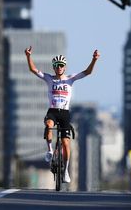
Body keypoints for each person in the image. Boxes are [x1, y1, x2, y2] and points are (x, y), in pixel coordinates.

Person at [24, 46, 100, 183]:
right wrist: (28, 56)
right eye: (56, 65)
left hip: (64, 113)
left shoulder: (70, 79)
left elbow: (87, 72)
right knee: (48, 125)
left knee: (66, 143)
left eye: (61, 65)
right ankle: (50, 150)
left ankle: (65, 171)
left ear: (64, 67)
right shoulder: (49, 79)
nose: (59, 67)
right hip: (52, 111)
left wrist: (94, 60)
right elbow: (33, 70)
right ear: (54, 67)